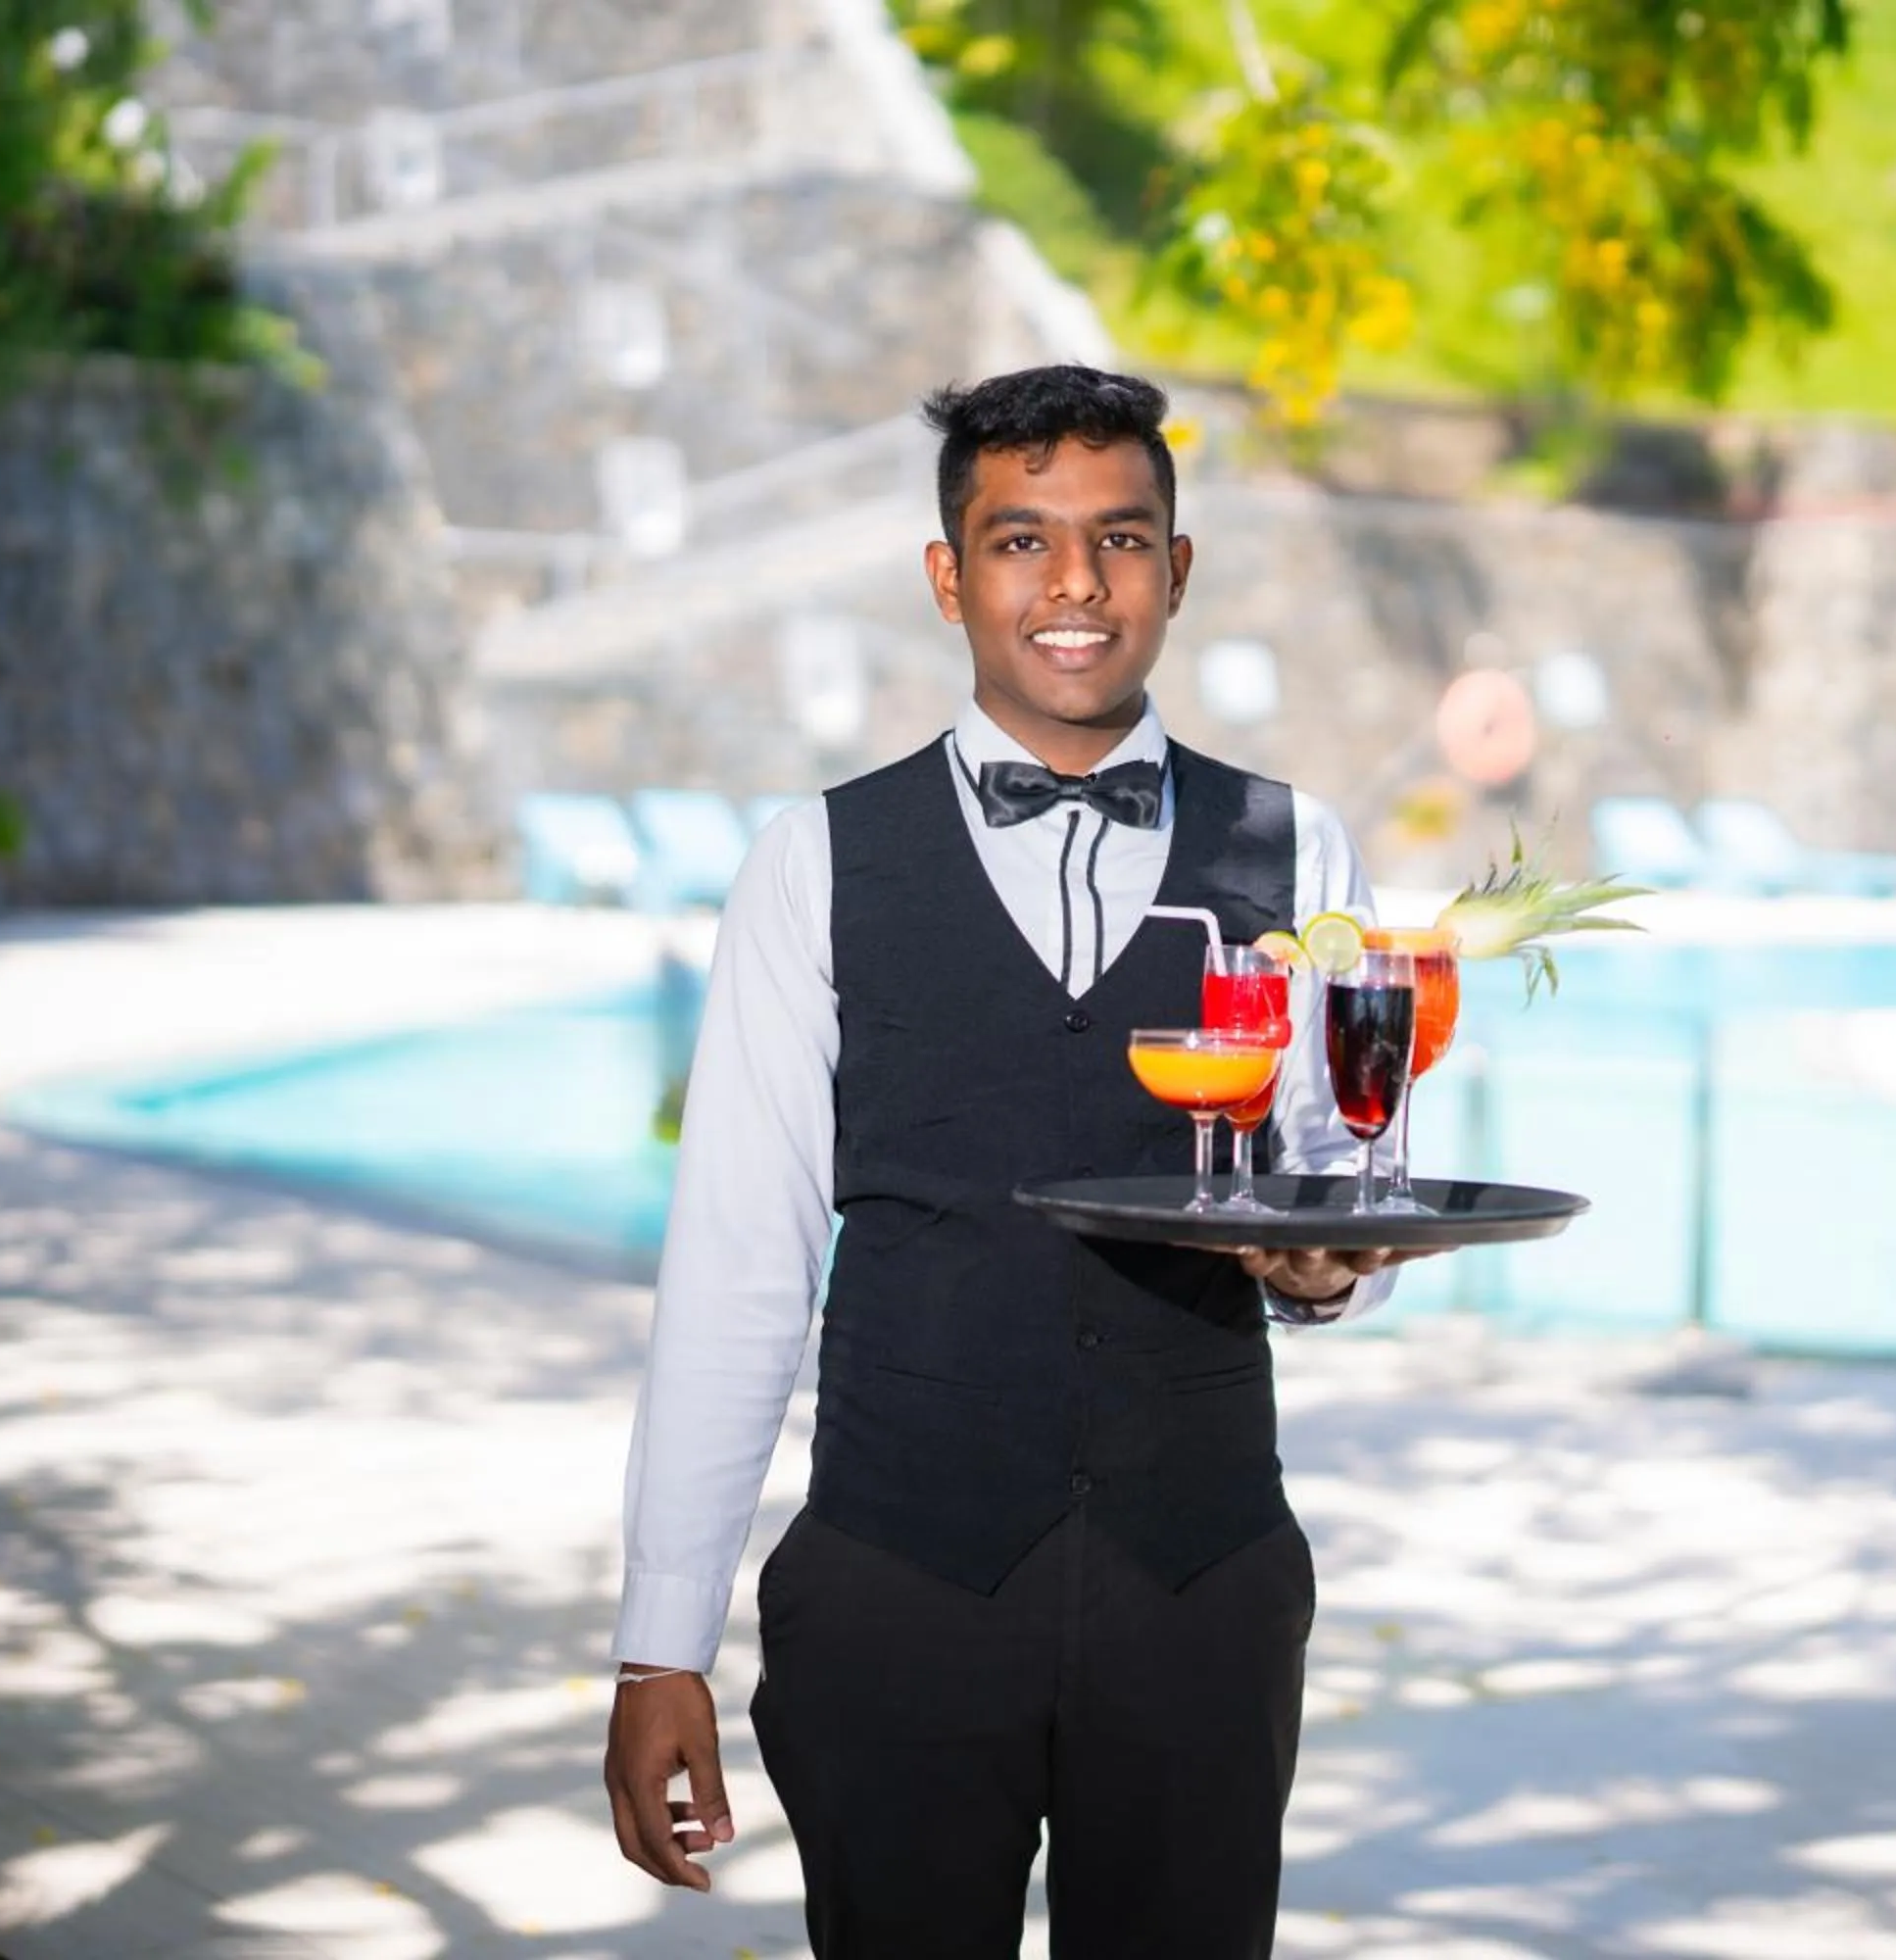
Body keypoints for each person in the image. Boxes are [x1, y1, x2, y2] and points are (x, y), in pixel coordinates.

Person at [602, 365, 1429, 1957]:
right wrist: (660, 1644)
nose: (1075, 584)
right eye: (1020, 540)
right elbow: (738, 1270)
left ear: (1177, 569)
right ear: (948, 575)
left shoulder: (1296, 850)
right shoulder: (815, 863)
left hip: (1202, 1587)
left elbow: (1345, 1177)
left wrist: (1328, 1274)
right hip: (897, 1586)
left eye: (1119, 539)